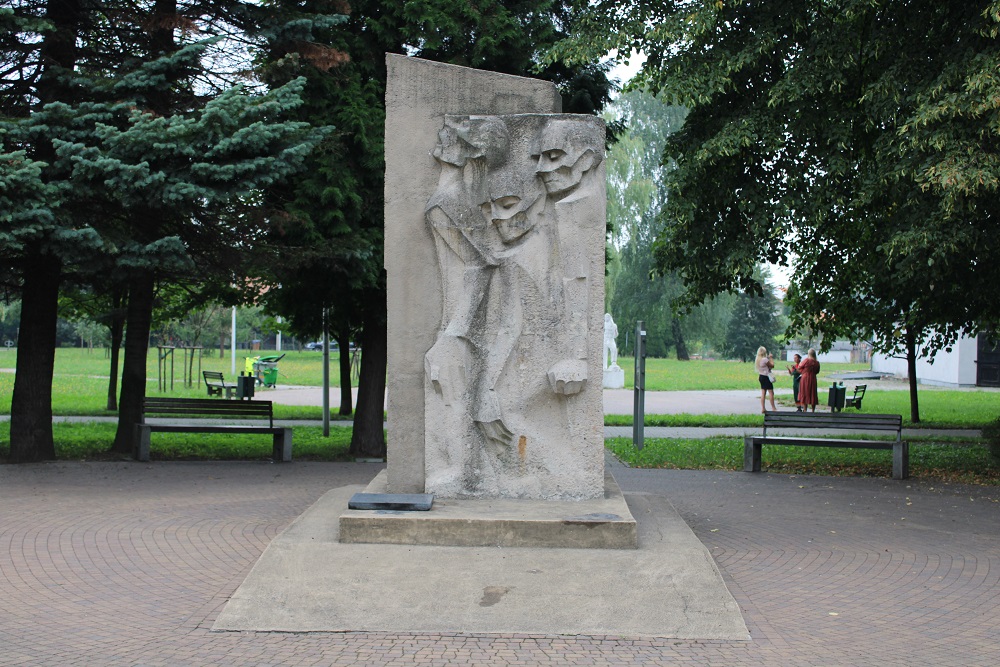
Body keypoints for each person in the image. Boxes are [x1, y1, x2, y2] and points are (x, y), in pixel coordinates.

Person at [754, 346, 777, 413]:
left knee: (763, 393)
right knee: (771, 392)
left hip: (761, 376)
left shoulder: (758, 359)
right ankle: (773, 408)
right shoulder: (764, 359)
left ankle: (763, 408)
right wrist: (771, 358)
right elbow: (772, 365)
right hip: (766, 377)